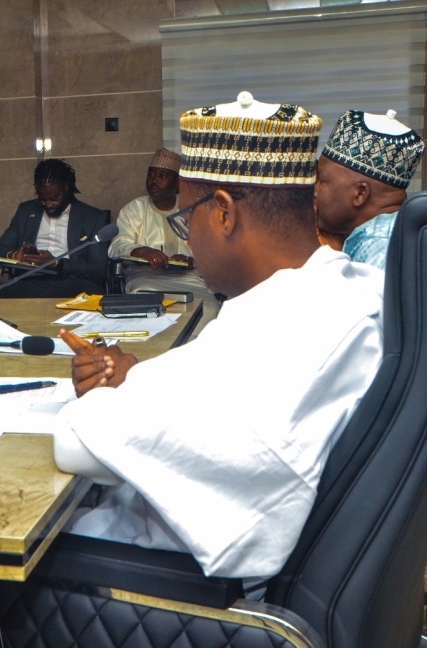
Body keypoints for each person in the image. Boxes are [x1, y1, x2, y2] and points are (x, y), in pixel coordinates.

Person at [54, 96, 383, 581]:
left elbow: (74, 442)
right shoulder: (350, 287)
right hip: (237, 569)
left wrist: (110, 391)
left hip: (158, 593)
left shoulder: (272, 326)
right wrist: (138, 379)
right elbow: (205, 389)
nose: (187, 240)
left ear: (224, 213)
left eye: (187, 220)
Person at [109, 149, 220, 321]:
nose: (153, 181)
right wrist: (143, 251)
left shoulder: (191, 210)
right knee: (144, 310)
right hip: (145, 280)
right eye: (151, 174)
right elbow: (117, 246)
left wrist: (191, 260)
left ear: (177, 183)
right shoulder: (134, 210)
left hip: (189, 280)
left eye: (162, 176)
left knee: (209, 309)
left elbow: (213, 252)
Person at [315, 109, 424, 269]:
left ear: (360, 193)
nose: (314, 191)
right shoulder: (401, 231)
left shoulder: (378, 246)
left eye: (321, 181)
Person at [0, 159, 110, 298]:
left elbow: (99, 269)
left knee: (94, 294)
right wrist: (14, 255)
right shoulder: (26, 211)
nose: (48, 205)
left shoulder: (93, 216)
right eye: (42, 200)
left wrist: (58, 264)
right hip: (30, 281)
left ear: (66, 187)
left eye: (53, 199)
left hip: (72, 282)